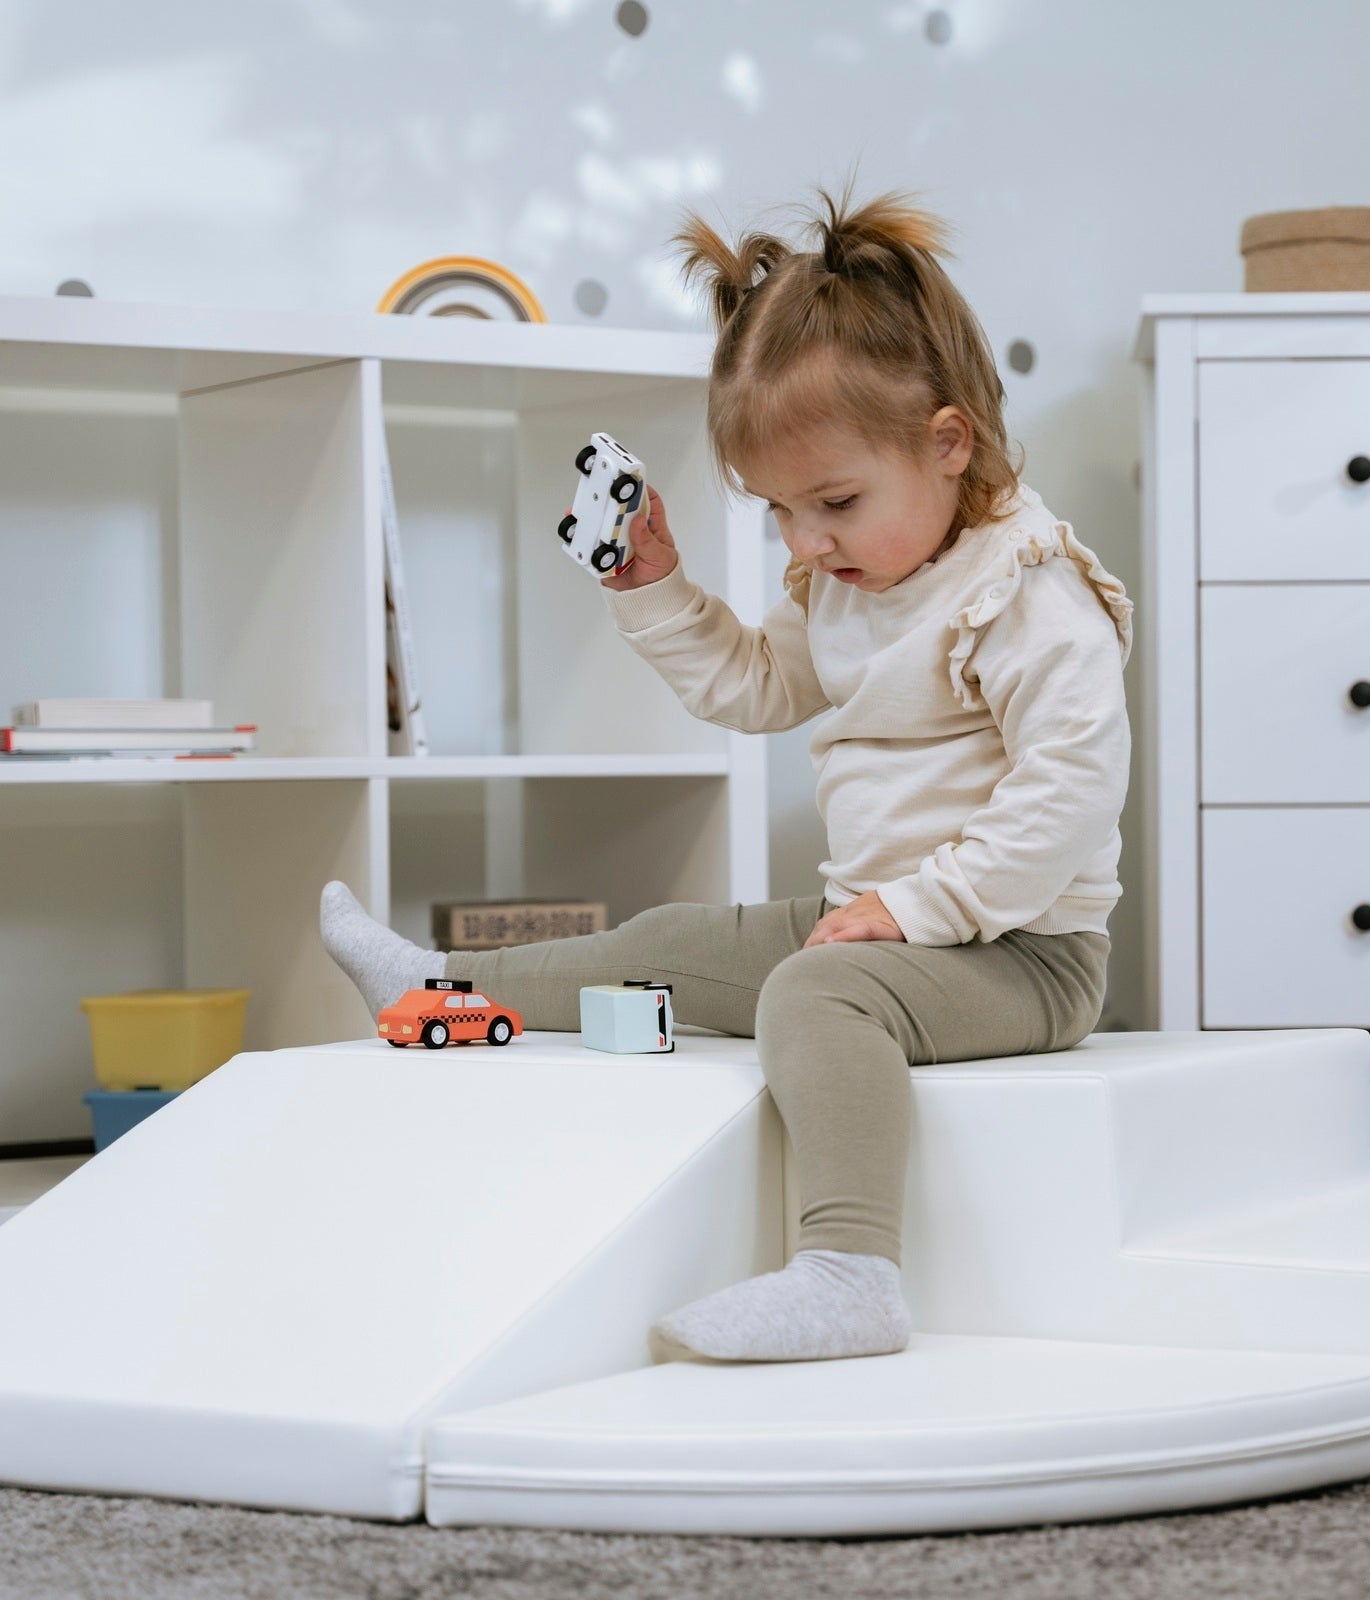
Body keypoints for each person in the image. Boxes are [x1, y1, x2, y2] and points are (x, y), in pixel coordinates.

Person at [319, 181, 1132, 1364]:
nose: (806, 544)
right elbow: (756, 685)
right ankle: (432, 987)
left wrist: (912, 907)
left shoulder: (1031, 593)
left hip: (1023, 950)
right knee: (669, 937)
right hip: (888, 926)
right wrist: (651, 584)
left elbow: (1065, 799)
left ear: (948, 444)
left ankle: (851, 1270)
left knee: (806, 994)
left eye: (835, 503)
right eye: (781, 513)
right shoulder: (851, 581)